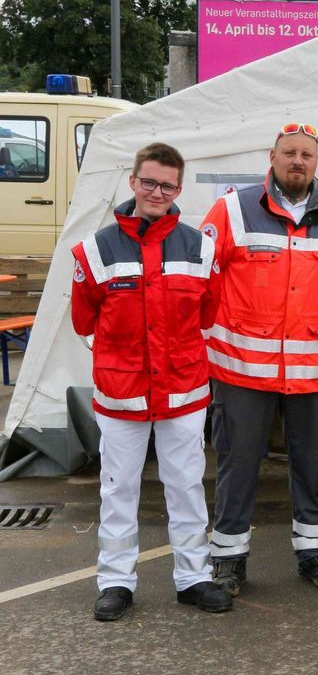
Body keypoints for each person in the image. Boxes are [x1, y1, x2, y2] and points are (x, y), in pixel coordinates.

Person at [71, 142, 231, 620]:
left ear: (179, 189)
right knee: (118, 489)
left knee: (186, 485)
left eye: (167, 184)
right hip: (122, 393)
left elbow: (209, 313)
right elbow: (84, 321)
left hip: (183, 391)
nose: (157, 191)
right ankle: (116, 581)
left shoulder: (201, 247)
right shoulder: (94, 249)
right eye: (149, 182)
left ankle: (194, 578)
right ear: (133, 182)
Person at [200, 122, 318, 595]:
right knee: (238, 463)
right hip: (242, 370)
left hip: (311, 372)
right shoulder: (232, 209)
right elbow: (204, 280)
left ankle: (314, 555)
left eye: (306, 155)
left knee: (313, 465)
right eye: (289, 153)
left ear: (316, 161)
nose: (297, 162)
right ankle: (229, 559)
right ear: (272, 157)